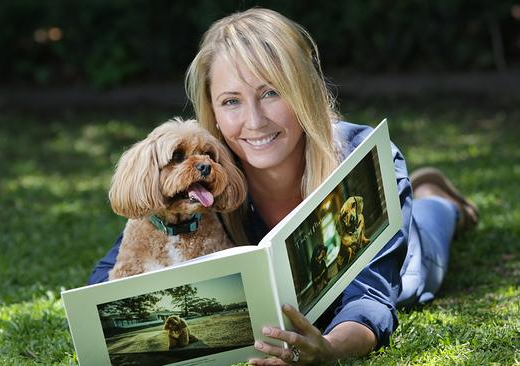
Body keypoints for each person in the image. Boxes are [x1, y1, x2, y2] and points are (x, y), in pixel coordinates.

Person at [89, 7, 479, 365]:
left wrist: (329, 348)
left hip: (406, 261)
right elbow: (111, 275)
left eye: (271, 93)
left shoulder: (365, 160)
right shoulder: (205, 178)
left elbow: (372, 299)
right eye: (231, 101)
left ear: (303, 90)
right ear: (212, 110)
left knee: (416, 270)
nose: (254, 121)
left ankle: (437, 199)